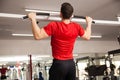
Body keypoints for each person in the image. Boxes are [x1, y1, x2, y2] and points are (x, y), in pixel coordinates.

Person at [28, 2, 93, 80]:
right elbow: (88, 36)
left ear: (60, 14)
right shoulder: (76, 27)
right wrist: (89, 23)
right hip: (71, 65)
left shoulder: (54, 25)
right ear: (71, 15)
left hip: (59, 64)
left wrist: (33, 19)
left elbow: (37, 36)